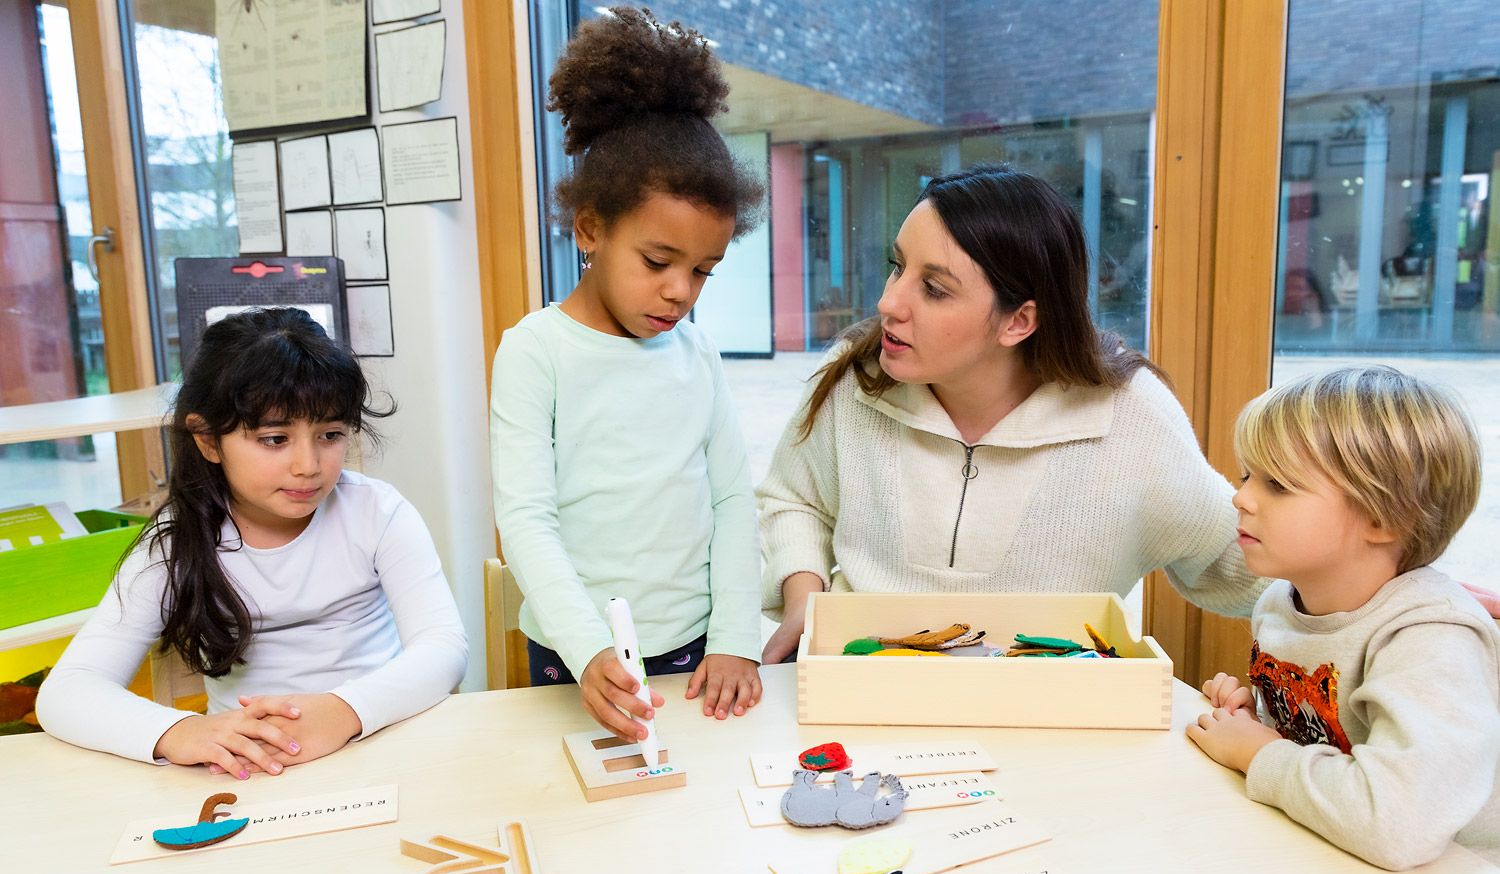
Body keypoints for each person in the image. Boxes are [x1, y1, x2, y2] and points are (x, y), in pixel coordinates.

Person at [758, 165, 1263, 664]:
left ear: (1019, 321)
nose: (888, 301)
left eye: (934, 289)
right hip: (857, 695)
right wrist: (805, 597)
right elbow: (796, 499)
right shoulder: (854, 376)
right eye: (897, 266)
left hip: (1050, 719)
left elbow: (1239, 559)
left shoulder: (1132, 417)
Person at [36, 309, 467, 776]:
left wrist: (345, 711)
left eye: (330, 435)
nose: (308, 465)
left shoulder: (378, 512)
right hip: (251, 766)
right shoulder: (178, 541)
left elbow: (443, 648)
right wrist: (181, 731)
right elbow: (68, 690)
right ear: (208, 440)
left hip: (381, 737)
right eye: (275, 439)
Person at [490, 7, 764, 741]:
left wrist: (737, 631)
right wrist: (587, 650)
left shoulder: (696, 354)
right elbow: (525, 520)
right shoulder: (534, 350)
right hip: (573, 655)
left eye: (704, 270)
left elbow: (735, 499)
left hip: (698, 649)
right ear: (589, 228)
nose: (681, 291)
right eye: (657, 262)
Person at [1192, 366, 1499, 869]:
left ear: (1385, 519)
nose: (1241, 497)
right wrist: (1254, 722)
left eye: (1280, 485)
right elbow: (1324, 742)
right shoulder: (1281, 601)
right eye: (1249, 476)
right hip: (1340, 861)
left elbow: (1399, 825)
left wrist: (1258, 754)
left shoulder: (1429, 640)